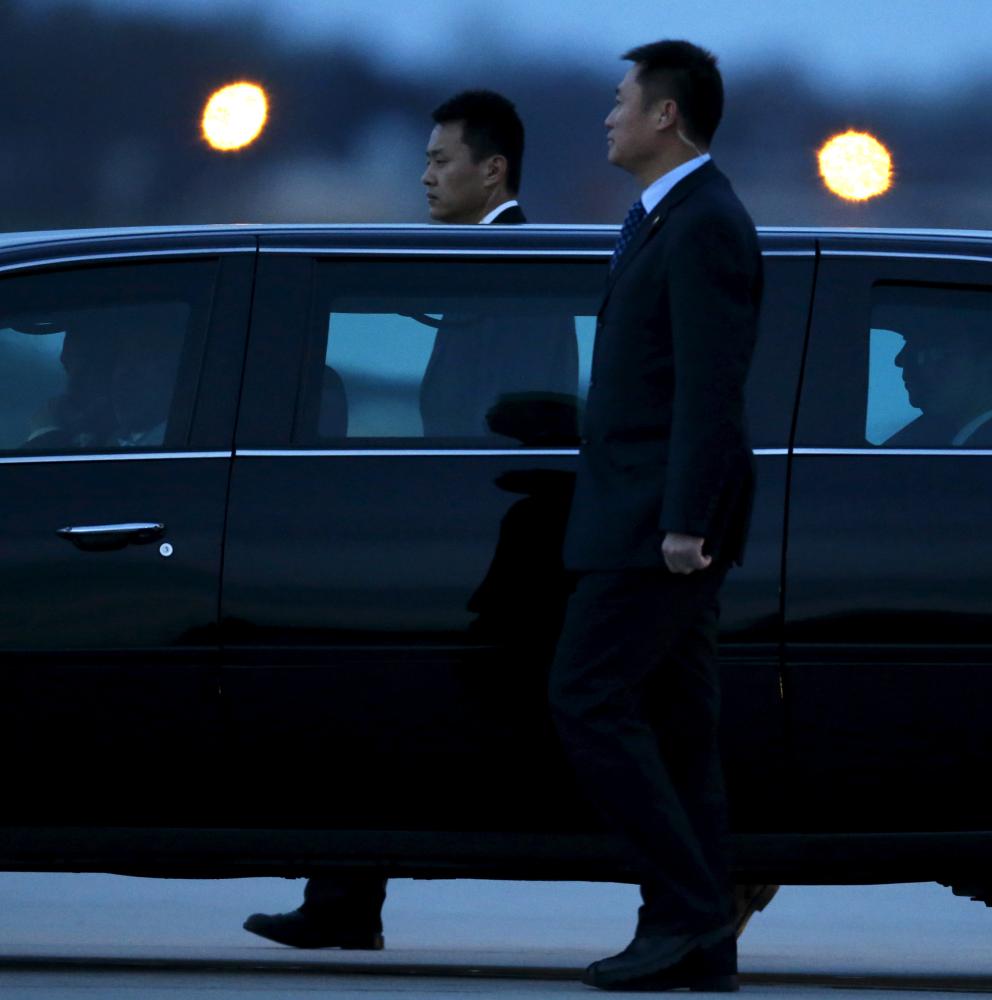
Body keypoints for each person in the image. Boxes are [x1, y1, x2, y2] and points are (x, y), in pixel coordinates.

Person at [242, 88, 531, 953]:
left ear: (493, 169)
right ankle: (343, 895)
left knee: (379, 702)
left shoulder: (516, 264)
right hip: (473, 531)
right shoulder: (486, 262)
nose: (425, 177)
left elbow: (506, 414)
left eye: (442, 161)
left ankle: (343, 895)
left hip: (484, 536)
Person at [546, 40, 762, 992]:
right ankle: (701, 945)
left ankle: (684, 911)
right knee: (679, 730)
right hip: (640, 511)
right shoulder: (664, 217)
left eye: (620, 100)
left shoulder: (704, 221)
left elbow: (711, 387)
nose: (608, 115)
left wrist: (685, 520)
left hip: (658, 526)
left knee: (585, 698)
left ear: (665, 115)